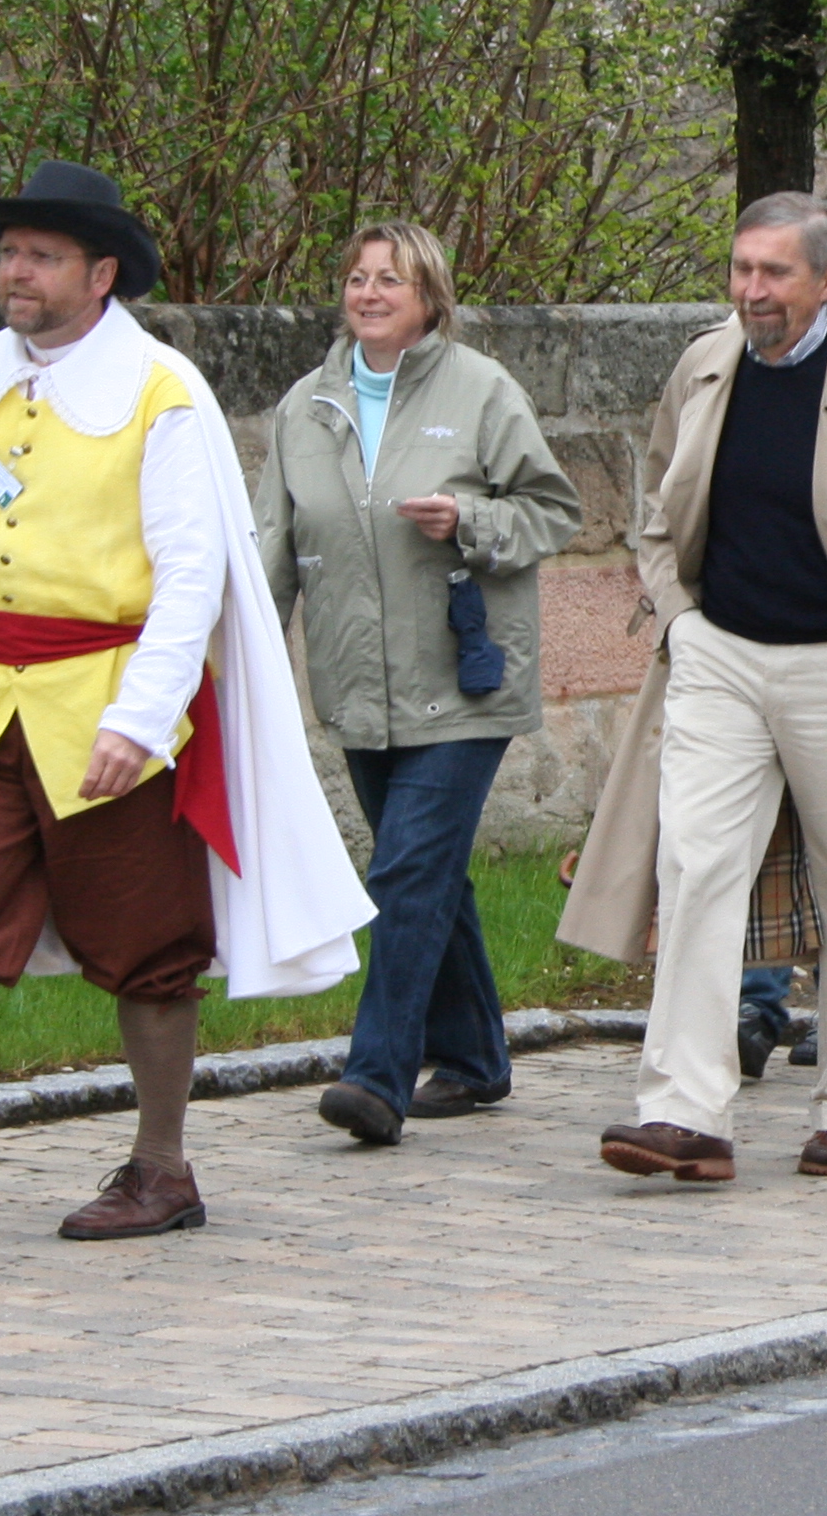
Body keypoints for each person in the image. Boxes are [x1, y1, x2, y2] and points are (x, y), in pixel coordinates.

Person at [0, 163, 371, 1244]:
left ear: (100, 274)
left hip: (108, 708)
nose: (16, 270)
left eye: (41, 255)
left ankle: (162, 1168)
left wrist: (140, 722)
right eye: (10, 251)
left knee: (147, 942)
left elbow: (191, 569)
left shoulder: (158, 392)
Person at [558, 194, 827, 1182]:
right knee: (697, 869)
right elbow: (660, 513)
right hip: (722, 658)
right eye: (742, 270)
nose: (753, 291)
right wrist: (682, 621)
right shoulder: (707, 365)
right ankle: (686, 1112)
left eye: (775, 273)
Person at [256, 221, 581, 1147]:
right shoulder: (305, 408)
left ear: (429, 299)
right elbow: (270, 544)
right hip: (358, 689)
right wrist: (236, 666)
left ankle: (376, 1076)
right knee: (428, 872)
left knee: (403, 872)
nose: (367, 294)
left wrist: (470, 521)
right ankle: (476, 1056)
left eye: (388, 281)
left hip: (464, 683)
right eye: (356, 279)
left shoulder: (481, 391)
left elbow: (553, 511)